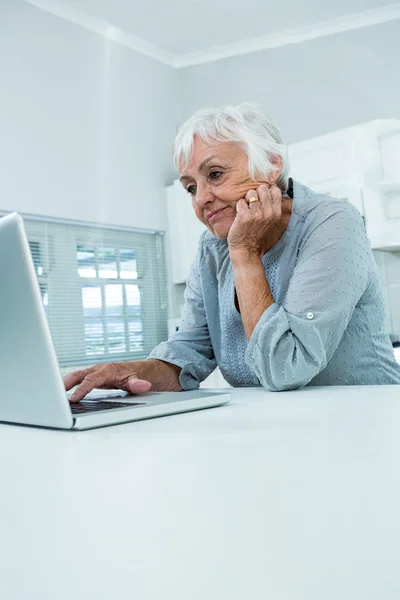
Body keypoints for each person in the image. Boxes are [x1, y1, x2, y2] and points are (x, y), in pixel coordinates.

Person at [65, 103, 400, 402]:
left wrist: (244, 251)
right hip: (274, 428)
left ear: (271, 165)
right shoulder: (211, 249)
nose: (200, 199)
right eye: (191, 188)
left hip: (364, 420)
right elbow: (188, 351)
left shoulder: (332, 222)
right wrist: (129, 371)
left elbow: (286, 368)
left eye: (215, 174)